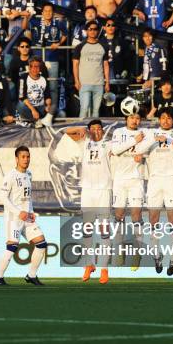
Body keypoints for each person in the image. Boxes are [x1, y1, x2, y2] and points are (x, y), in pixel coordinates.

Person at [65, 120, 112, 284]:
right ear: (89, 130)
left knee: (104, 230)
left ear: (103, 131)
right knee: (87, 230)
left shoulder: (109, 145)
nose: (96, 132)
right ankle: (88, 264)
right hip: (88, 191)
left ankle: (104, 269)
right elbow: (67, 132)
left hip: (104, 190)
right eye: (93, 129)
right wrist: (79, 129)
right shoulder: (84, 143)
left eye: (99, 129)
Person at [0, 145, 48, 286]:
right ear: (17, 159)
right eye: (23, 157)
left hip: (27, 217)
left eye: (28, 156)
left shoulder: (29, 174)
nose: (26, 159)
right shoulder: (11, 175)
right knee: (12, 247)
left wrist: (32, 212)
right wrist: (19, 213)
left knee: (42, 244)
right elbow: (3, 198)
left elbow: (27, 198)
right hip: (14, 218)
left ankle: (31, 275)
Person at [143, 107, 173, 275]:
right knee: (153, 219)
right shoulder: (150, 134)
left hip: (172, 180)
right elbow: (139, 151)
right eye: (163, 117)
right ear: (159, 119)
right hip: (154, 181)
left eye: (169, 118)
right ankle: (156, 254)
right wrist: (153, 138)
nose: (165, 120)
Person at [109, 112, 146, 271]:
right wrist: (134, 141)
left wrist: (143, 156)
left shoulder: (145, 134)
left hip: (136, 180)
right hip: (119, 180)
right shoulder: (118, 132)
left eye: (137, 118)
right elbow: (116, 150)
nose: (135, 120)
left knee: (136, 215)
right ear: (126, 119)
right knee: (119, 215)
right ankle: (120, 247)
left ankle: (137, 251)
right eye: (132, 117)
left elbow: (151, 153)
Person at [72, 20, 110, 118]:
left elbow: (106, 65)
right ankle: (81, 130)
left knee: (96, 111)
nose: (93, 31)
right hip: (84, 83)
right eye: (90, 29)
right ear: (86, 31)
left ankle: (95, 132)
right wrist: (76, 81)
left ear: (98, 31)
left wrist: (107, 82)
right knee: (84, 108)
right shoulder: (80, 47)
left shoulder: (103, 46)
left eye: (95, 29)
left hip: (99, 83)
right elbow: (75, 65)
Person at [18, 57, 54, 128]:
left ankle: (37, 120)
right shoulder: (23, 78)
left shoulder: (43, 79)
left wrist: (48, 105)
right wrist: (33, 110)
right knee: (20, 106)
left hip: (41, 107)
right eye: (33, 67)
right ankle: (39, 120)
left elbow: (48, 96)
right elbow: (22, 97)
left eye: (37, 67)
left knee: (61, 114)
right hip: (29, 108)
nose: (35, 69)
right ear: (30, 68)